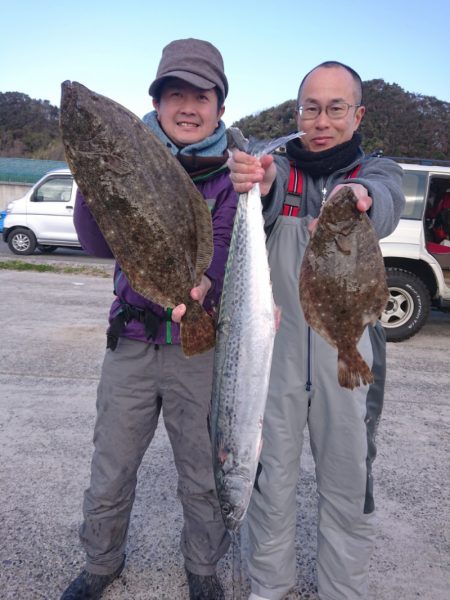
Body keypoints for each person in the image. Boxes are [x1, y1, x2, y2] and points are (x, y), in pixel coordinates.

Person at [60, 38, 237, 600]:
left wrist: (202, 288)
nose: (188, 107)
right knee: (110, 468)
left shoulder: (233, 174)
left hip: (199, 346)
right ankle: (101, 562)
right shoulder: (122, 153)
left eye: (201, 96)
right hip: (131, 340)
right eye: (175, 94)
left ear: (220, 106)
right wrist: (95, 180)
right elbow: (93, 244)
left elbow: (226, 249)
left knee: (204, 474)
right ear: (157, 103)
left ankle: (203, 571)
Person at [228, 61, 405, 600]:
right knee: (269, 482)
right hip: (273, 356)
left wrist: (357, 203)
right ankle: (269, 587)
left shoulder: (379, 169)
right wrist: (258, 183)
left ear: (358, 114)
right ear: (296, 110)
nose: (321, 120)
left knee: (349, 484)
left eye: (335, 108)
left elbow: (386, 200)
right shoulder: (277, 166)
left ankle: (341, 591)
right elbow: (258, 185)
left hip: (344, 357)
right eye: (311, 107)